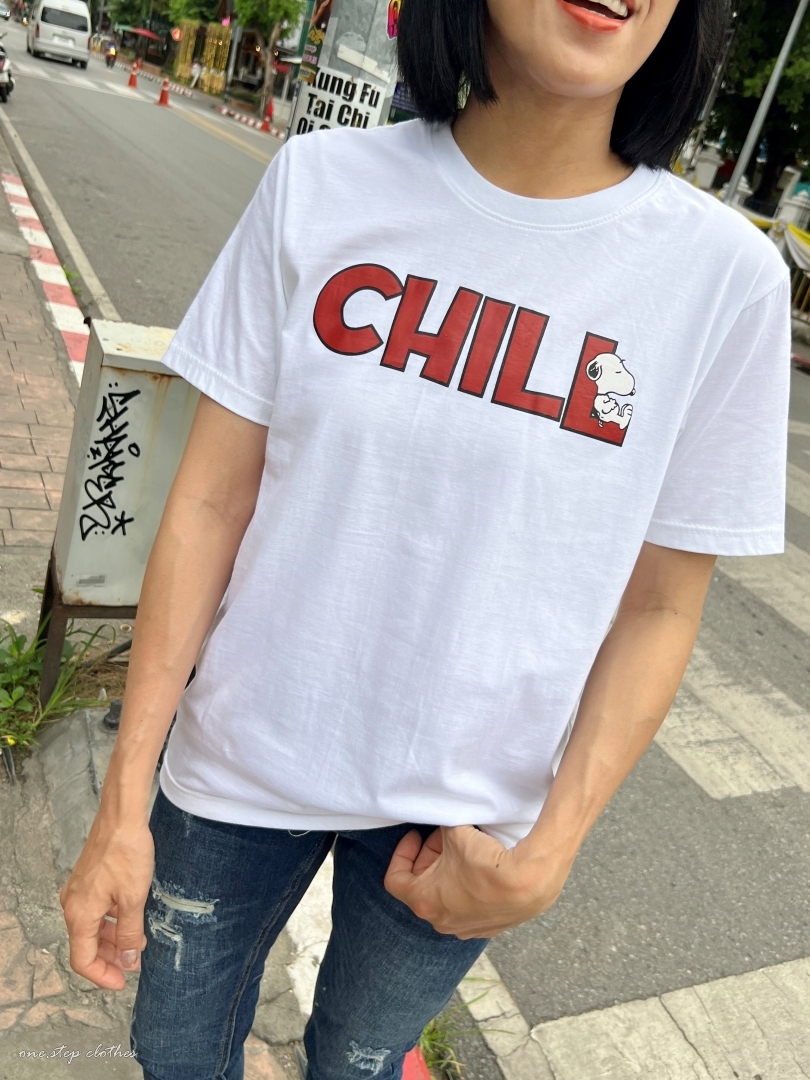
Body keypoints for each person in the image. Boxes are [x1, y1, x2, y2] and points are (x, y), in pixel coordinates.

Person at [60, 0, 790, 1078]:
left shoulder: (725, 281)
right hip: (238, 767)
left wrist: (553, 849)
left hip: (467, 826)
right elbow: (209, 505)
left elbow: (660, 605)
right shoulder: (319, 187)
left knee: (359, 1064)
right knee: (174, 1051)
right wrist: (124, 798)